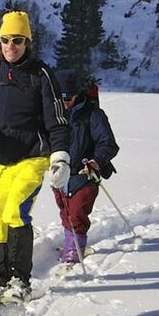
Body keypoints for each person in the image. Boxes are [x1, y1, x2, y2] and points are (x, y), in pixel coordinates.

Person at [0, 9, 71, 304]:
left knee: (15, 210)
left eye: (17, 40)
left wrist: (61, 157)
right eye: (5, 39)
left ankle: (20, 281)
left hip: (33, 155)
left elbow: (57, 118)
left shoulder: (41, 75)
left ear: (27, 42)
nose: (11, 46)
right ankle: (2, 280)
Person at [52, 70, 120, 265]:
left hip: (85, 174)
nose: (64, 101)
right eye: (59, 97)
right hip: (59, 174)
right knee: (65, 213)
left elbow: (108, 143)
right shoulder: (53, 115)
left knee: (77, 213)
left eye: (68, 97)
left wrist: (96, 160)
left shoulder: (93, 114)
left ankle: (75, 249)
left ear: (77, 94)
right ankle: (70, 242)